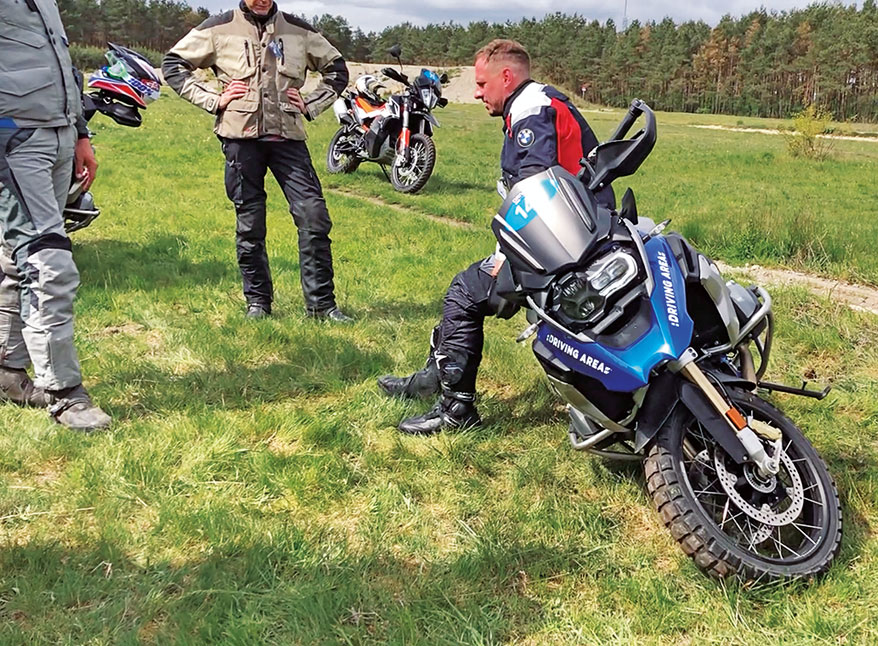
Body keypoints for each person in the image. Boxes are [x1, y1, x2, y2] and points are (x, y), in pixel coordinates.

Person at [377, 39, 613, 435]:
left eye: (483, 84)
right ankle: (433, 379)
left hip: (567, 249)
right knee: (468, 291)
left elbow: (536, 188)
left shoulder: (531, 109)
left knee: (465, 293)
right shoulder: (537, 103)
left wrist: (509, 254)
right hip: (574, 234)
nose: (476, 92)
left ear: (507, 77)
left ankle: (456, 409)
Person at [162, 0, 352, 321]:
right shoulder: (217, 27)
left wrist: (310, 103)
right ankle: (258, 303)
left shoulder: (299, 30)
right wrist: (214, 100)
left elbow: (337, 69)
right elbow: (173, 64)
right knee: (250, 225)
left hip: (288, 139)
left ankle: (321, 305)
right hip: (240, 139)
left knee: (314, 216)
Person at [0, 0, 111, 431]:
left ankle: (8, 373)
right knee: (49, 262)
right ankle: (65, 394)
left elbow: (60, 61)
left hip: (59, 134)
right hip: (13, 136)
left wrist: (80, 133)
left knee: (15, 258)